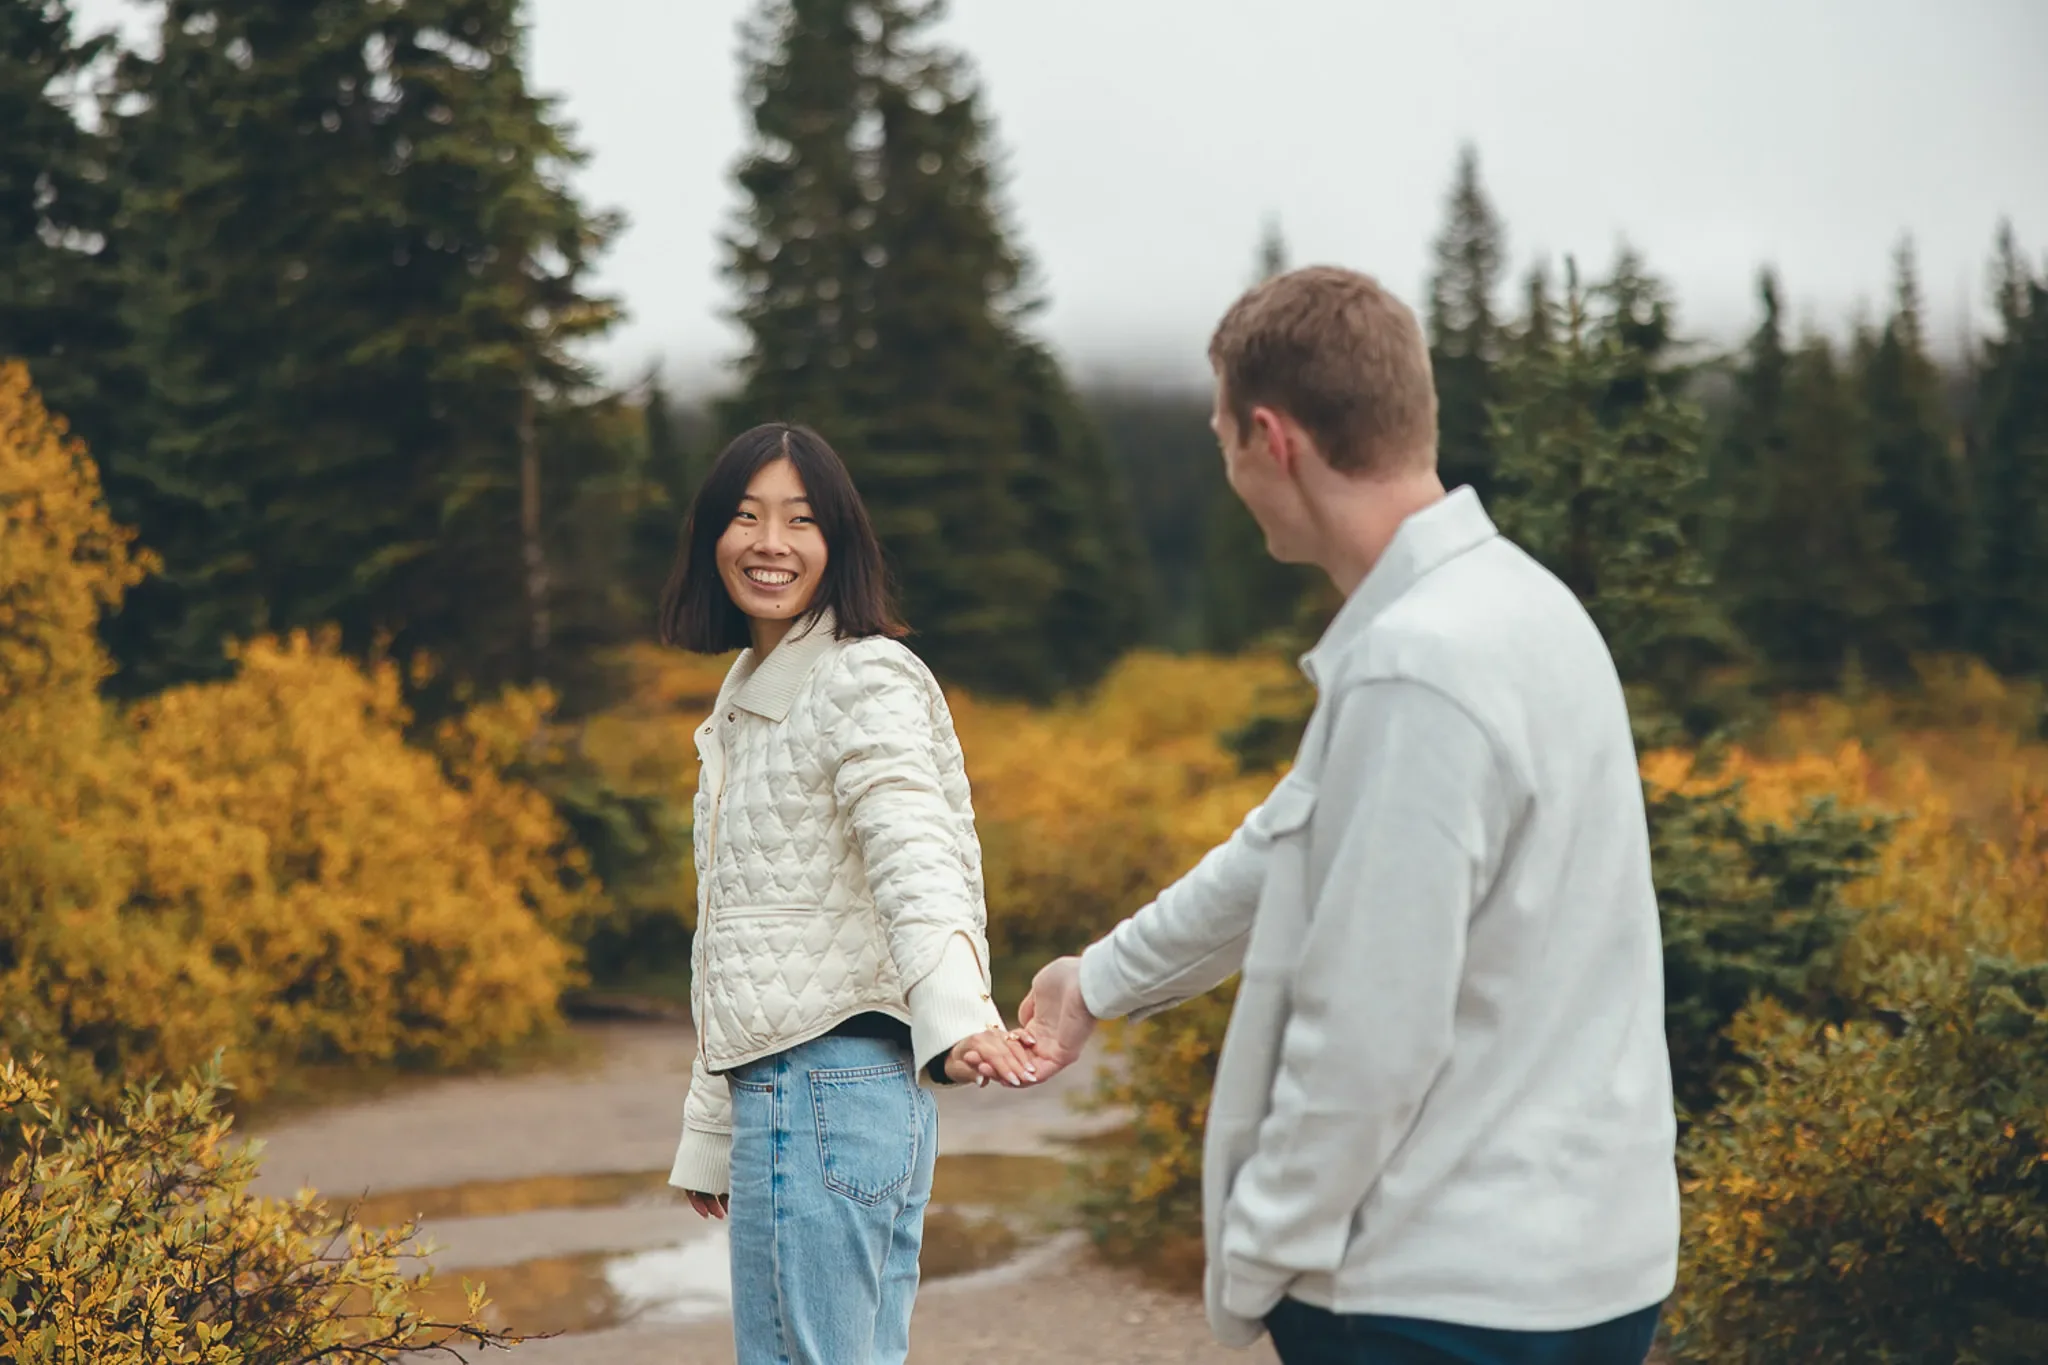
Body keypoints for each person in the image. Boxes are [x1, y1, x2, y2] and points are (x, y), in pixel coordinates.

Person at [1016, 267, 1680, 1364]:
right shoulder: (1525, 606)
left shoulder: (1415, 666)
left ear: (1270, 440)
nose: (1229, 471)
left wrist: (1258, 1253)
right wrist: (1094, 980)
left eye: (1223, 440)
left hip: (1438, 1296)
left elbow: (1370, 1037)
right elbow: (1281, 846)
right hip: (1588, 1274)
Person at [661, 422, 1037, 1365]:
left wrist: (957, 1015)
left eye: (801, 519)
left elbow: (915, 849)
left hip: (821, 1087)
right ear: (711, 536)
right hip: (825, 1093)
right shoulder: (754, 697)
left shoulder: (859, 673)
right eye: (746, 516)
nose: (770, 543)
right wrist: (712, 1128)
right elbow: (739, 935)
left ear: (841, 543)